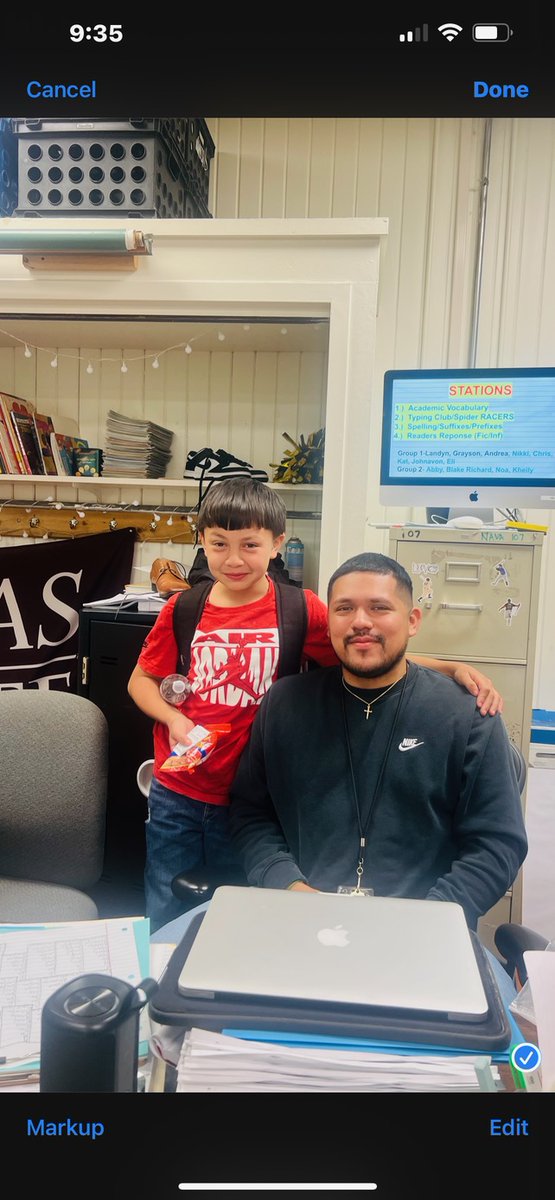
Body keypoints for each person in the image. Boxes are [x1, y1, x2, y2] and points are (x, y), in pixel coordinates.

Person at [128, 483, 506, 932]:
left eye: (249, 544)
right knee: (167, 915)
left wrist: (448, 668)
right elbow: (141, 679)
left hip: (243, 793)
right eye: (219, 545)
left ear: (276, 545)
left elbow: (365, 646)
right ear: (202, 543)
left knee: (240, 922)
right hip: (185, 791)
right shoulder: (184, 609)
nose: (233, 559)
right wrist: (174, 718)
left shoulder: (298, 610)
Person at [229, 551, 527, 941]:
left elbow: (497, 842)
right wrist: (289, 887)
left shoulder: (465, 714)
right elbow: (250, 814)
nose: (360, 622)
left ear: (412, 620)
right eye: (344, 609)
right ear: (329, 620)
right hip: (300, 920)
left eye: (379, 607)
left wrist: (432, 916)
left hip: (426, 930)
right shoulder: (285, 704)